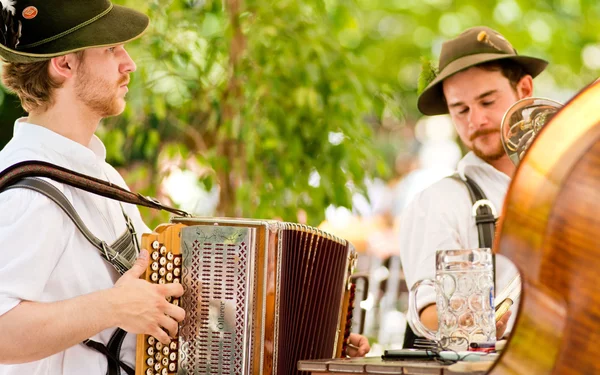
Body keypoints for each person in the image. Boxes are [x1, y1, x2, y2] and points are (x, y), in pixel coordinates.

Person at [0, 1, 368, 373]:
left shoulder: (98, 175)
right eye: (111, 49)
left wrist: (312, 325)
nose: (130, 64)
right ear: (63, 65)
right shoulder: (27, 192)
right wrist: (111, 307)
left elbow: (161, 291)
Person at [398, 26, 548, 344]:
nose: (475, 121)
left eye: (487, 101)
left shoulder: (569, 185)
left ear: (524, 90)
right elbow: (427, 310)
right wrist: (470, 324)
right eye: (461, 109)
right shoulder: (439, 202)